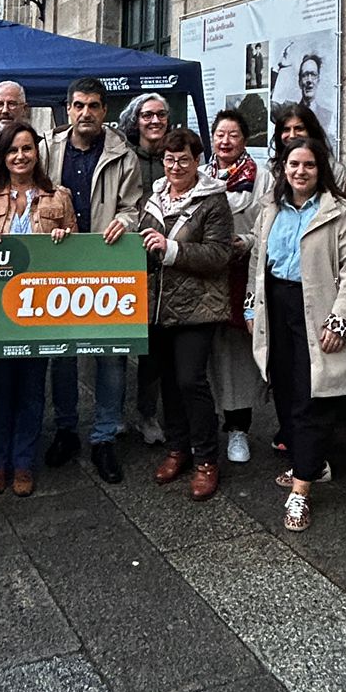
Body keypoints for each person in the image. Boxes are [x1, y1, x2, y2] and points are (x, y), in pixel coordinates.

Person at [249, 139, 346, 530]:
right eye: (293, 165)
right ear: (283, 168)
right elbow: (257, 260)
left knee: (312, 396)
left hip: (317, 311)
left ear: (322, 170)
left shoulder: (342, 213)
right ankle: (312, 465)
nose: (300, 172)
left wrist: (340, 322)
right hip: (278, 307)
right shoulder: (270, 209)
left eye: (309, 166)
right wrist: (252, 307)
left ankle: (301, 488)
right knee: (283, 389)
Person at [43, 78, 143, 484]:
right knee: (61, 354)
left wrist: (124, 220)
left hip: (108, 264)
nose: (86, 113)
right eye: (79, 105)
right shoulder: (48, 150)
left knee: (111, 355)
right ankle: (67, 430)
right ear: (68, 109)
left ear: (105, 111)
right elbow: (32, 196)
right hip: (58, 265)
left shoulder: (124, 155)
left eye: (95, 106)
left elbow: (134, 206)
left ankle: (104, 436)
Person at [0, 122, 76, 496]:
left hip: (41, 309)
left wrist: (64, 239)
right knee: (0, 390)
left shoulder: (58, 196)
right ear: (3, 155)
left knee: (33, 390)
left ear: (38, 153)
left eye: (27, 149)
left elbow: (77, 254)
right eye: (13, 150)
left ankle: (23, 462)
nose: (20, 156)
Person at [142, 128, 233, 499]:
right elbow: (144, 242)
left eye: (184, 159)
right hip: (159, 306)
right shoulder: (155, 197)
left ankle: (206, 459)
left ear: (198, 161)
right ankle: (177, 448)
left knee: (190, 381)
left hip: (198, 307)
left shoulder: (213, 201)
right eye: (169, 159)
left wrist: (172, 249)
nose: (176, 166)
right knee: (168, 381)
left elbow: (219, 254)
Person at [207, 109, 264, 464]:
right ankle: (205, 425)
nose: (225, 141)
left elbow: (267, 224)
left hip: (241, 274)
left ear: (244, 140)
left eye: (233, 135)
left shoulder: (262, 178)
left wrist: (244, 241)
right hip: (204, 278)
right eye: (219, 135)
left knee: (235, 358)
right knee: (204, 355)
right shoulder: (200, 175)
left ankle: (238, 429)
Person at [120, 93, 172, 446]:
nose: (154, 121)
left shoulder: (177, 155)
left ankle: (147, 413)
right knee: (116, 345)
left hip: (164, 265)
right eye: (147, 115)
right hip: (126, 260)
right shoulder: (124, 156)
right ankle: (114, 414)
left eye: (161, 115)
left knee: (155, 349)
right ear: (135, 121)